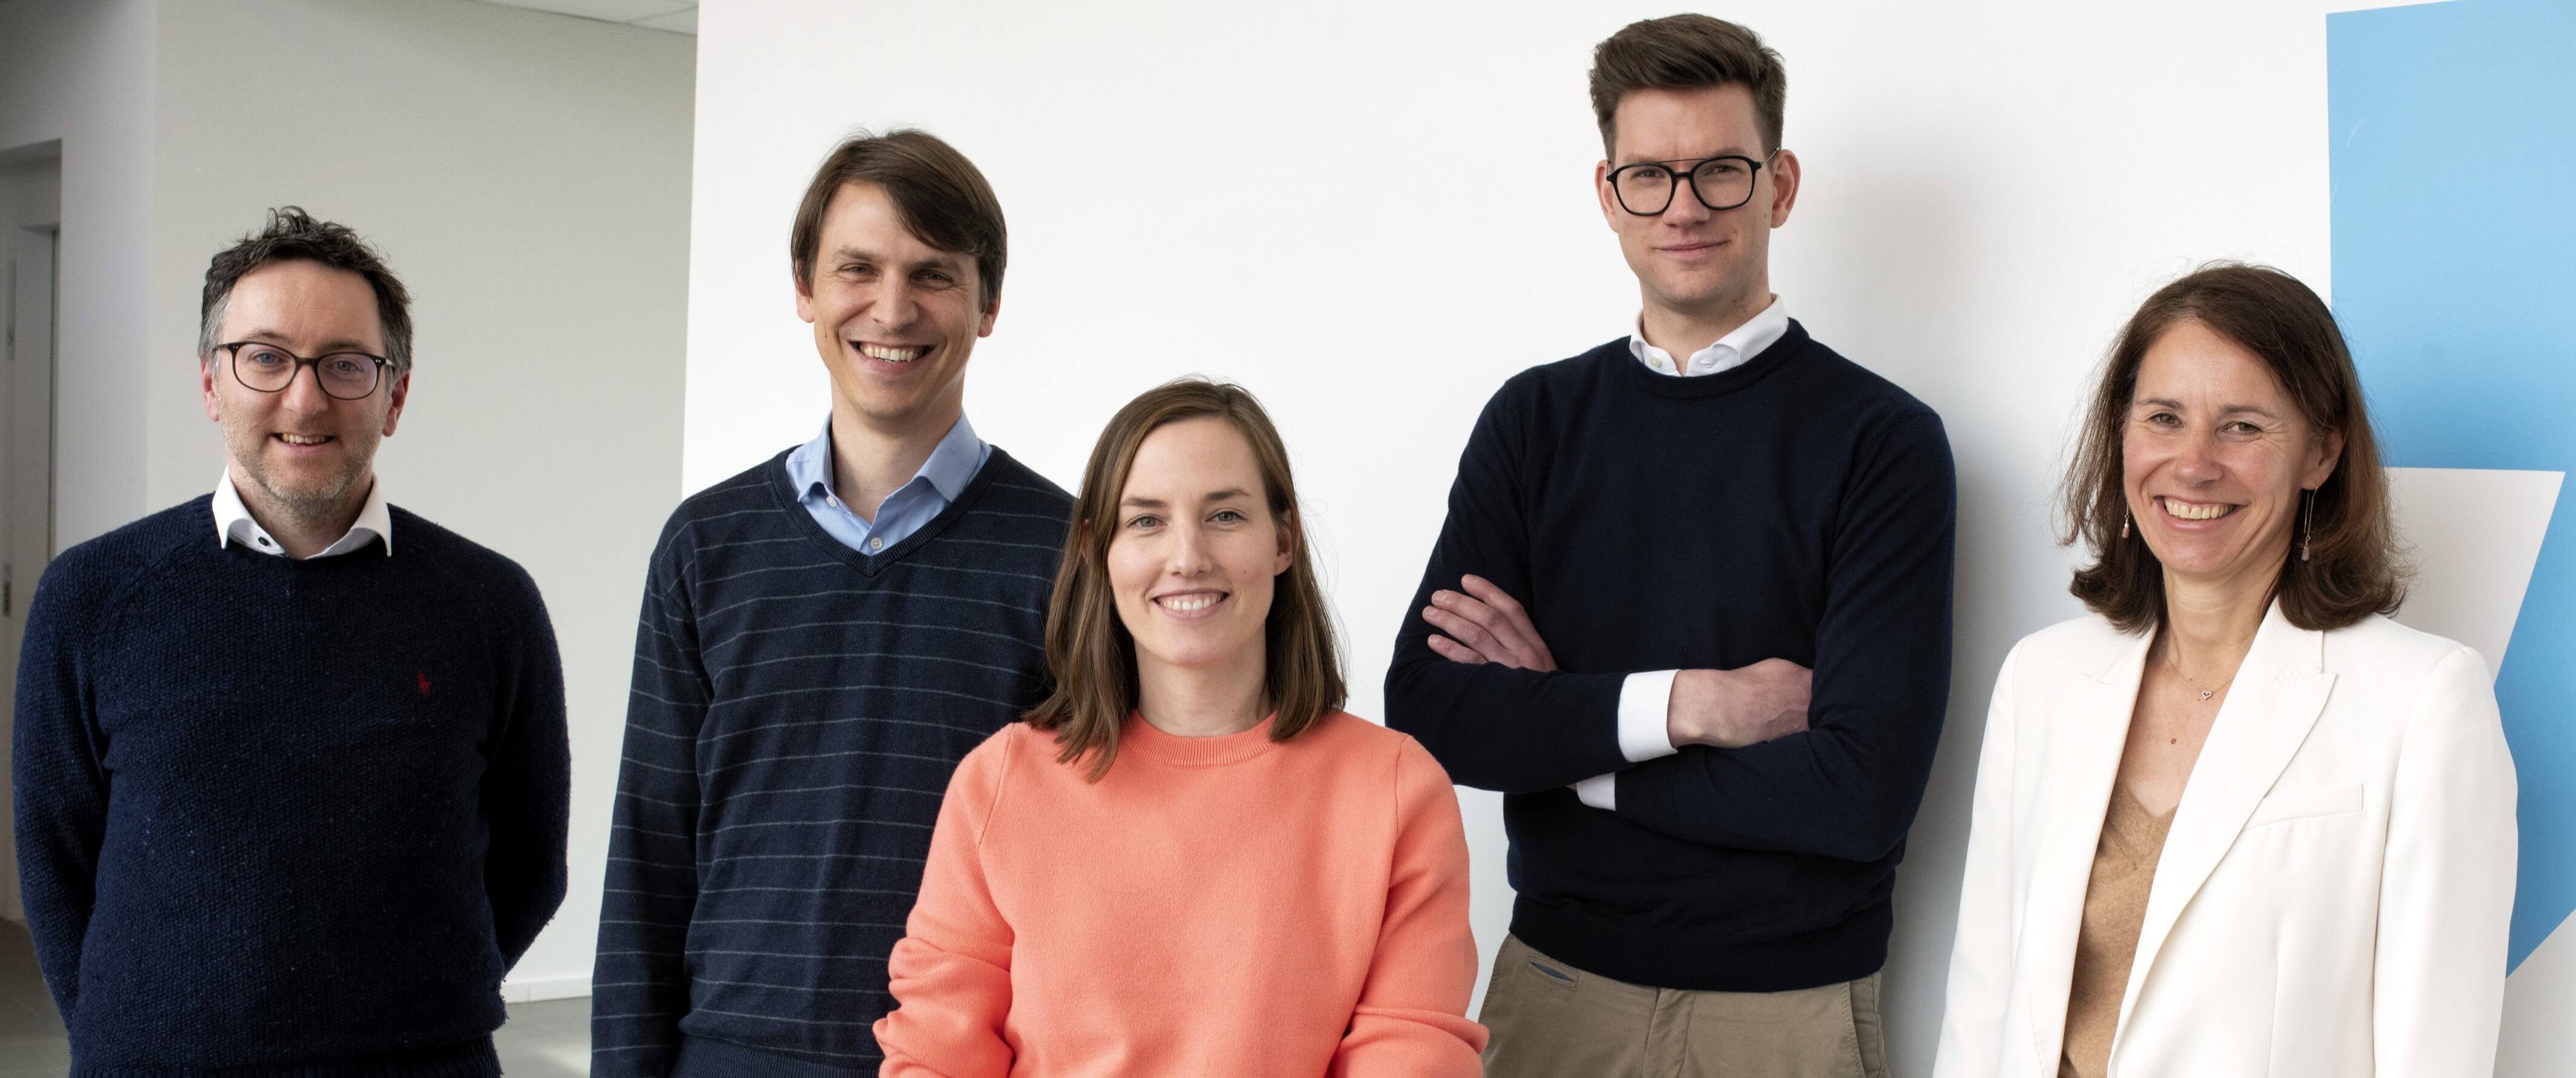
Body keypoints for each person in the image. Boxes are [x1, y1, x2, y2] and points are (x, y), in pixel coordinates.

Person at [1383, 14, 1954, 1076]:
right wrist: (1693, 704)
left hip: (1789, 1008)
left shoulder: (1882, 441)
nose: (1684, 207)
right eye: (1648, 173)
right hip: (1555, 989)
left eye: (1720, 172)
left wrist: (1576, 742)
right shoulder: (1533, 422)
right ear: (1607, 195)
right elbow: (1431, 709)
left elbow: (1857, 793)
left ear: (1779, 185)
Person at [12, 207, 569, 1076]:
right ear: (209, 382)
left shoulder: (491, 603)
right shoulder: (92, 596)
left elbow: (533, 863)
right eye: (265, 357)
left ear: (397, 395)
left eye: (346, 364)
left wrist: (419, 1007)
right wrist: (132, 1033)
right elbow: (56, 863)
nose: (304, 397)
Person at [1931, 264, 2518, 1077]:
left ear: (2321, 450)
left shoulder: (2422, 701)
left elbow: (2436, 1055)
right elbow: (1979, 1013)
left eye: (2242, 426)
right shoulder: (2042, 680)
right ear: (2123, 435)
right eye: (2164, 417)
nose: (2194, 463)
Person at [592, 129, 1073, 1076]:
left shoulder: (1072, 554)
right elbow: (649, 850)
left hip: (970, 1059)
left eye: (933, 274)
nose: (892, 308)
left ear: (989, 305)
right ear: (805, 288)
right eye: (858, 267)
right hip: (730, 1057)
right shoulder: (706, 544)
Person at [873, 378, 1486, 1076]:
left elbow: (1412, 1056)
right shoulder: (1001, 781)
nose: (1188, 556)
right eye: (1146, 520)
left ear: (1283, 540)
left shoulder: (1397, 790)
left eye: (1224, 515)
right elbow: (936, 1052)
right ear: (1096, 550)